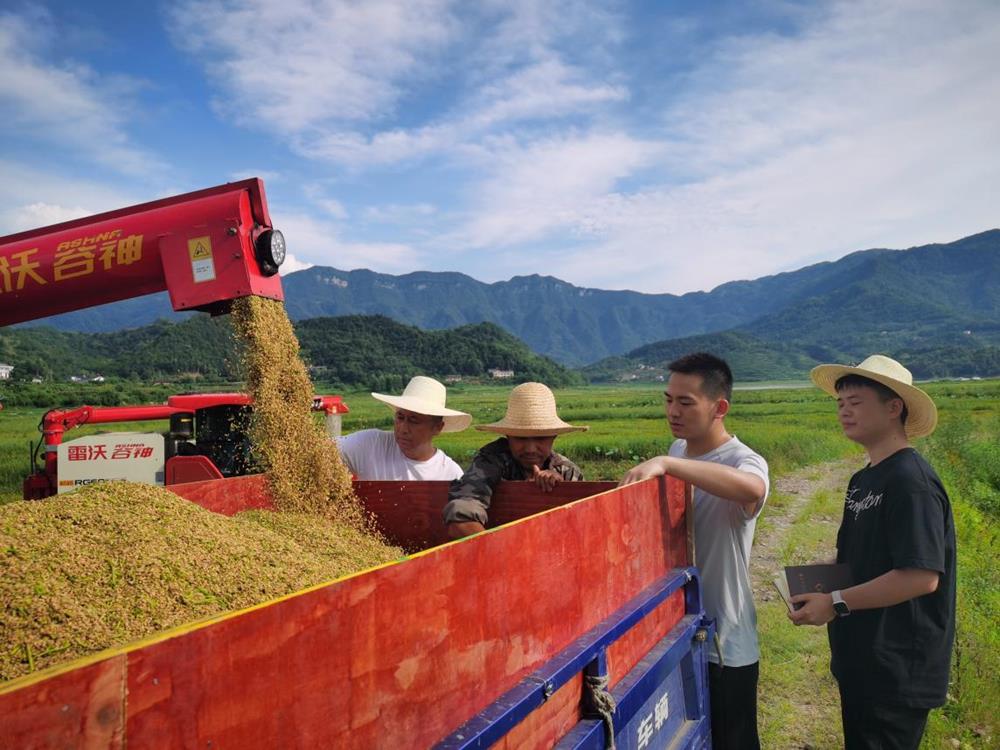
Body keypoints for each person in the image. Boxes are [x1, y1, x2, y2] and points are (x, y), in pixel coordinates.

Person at [788, 354, 955, 750]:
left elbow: (921, 576)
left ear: (893, 408)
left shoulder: (911, 481)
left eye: (856, 402)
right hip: (863, 659)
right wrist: (814, 582)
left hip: (897, 669)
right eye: (840, 404)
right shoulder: (863, 479)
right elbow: (858, 558)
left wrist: (835, 602)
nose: (844, 412)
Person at [619, 352, 769, 750]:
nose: (673, 411)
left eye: (686, 402)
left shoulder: (743, 460)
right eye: (669, 400)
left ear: (719, 408)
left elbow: (752, 489)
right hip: (679, 632)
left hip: (725, 642)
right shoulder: (679, 450)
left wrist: (669, 464)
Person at [444, 382, 587, 539]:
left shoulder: (567, 471)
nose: (530, 449)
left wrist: (562, 489)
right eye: (520, 438)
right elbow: (461, 516)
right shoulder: (491, 462)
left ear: (554, 437)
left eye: (541, 438)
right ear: (508, 436)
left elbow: (585, 522)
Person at [337, 376, 471, 481]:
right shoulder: (371, 444)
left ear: (437, 428)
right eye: (400, 417)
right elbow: (327, 449)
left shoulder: (450, 474)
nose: (403, 429)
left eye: (414, 420)